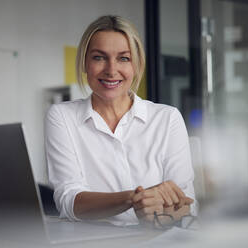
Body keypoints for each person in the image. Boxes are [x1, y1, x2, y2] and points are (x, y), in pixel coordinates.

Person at [45, 15, 196, 227]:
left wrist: (161, 213)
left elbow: (186, 203)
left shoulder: (167, 118)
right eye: (99, 57)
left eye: (123, 58)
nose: (111, 70)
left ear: (136, 65)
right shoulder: (62, 117)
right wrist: (134, 199)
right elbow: (69, 201)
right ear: (84, 63)